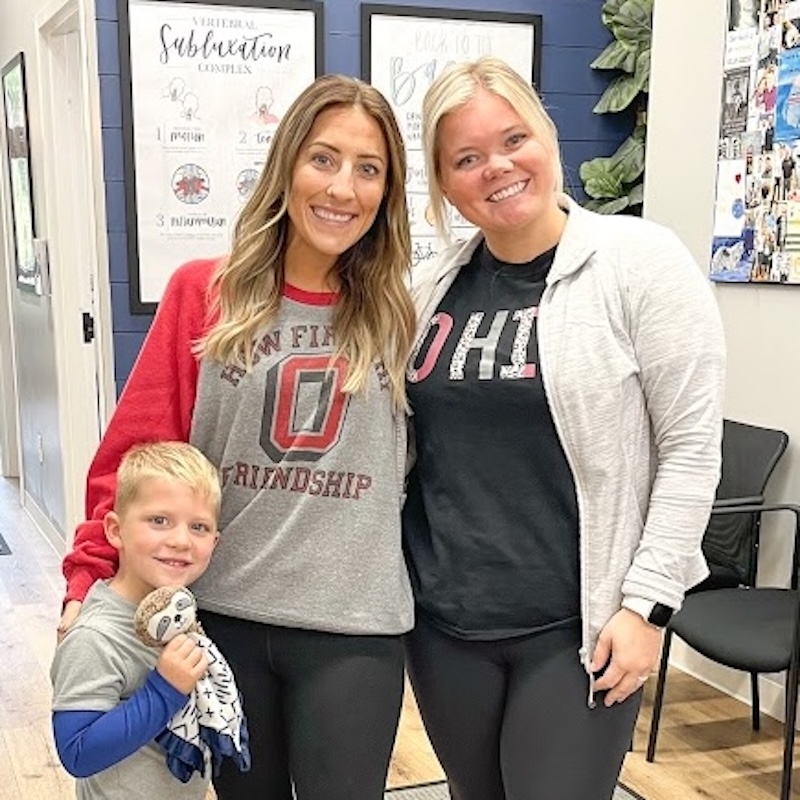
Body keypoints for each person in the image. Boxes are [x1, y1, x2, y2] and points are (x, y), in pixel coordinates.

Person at [57, 74, 417, 800]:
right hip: (221, 620)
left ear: (387, 192)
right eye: (323, 158)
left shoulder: (402, 316)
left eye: (368, 168)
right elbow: (135, 454)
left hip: (355, 625)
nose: (342, 187)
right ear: (286, 166)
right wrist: (89, 576)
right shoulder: (204, 293)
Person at [402, 57, 725, 800]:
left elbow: (689, 449)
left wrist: (647, 606)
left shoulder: (640, 265)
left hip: (576, 630)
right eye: (468, 158)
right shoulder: (428, 290)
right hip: (447, 625)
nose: (498, 167)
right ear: (445, 183)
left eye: (514, 139)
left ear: (548, 137)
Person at [51, 441, 223, 799]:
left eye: (199, 527)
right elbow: (77, 752)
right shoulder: (96, 636)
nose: (180, 541)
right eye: (159, 521)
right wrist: (165, 690)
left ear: (216, 541)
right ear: (114, 530)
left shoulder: (179, 614)